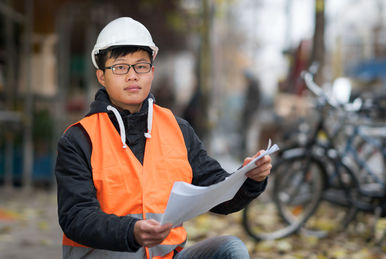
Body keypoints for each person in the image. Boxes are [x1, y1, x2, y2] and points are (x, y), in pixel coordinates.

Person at [55, 17, 272, 259]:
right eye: (120, 67)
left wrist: (249, 179)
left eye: (140, 66)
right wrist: (131, 232)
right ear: (101, 77)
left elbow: (216, 194)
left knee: (231, 250)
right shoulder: (79, 138)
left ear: (152, 72)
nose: (132, 75)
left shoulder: (177, 129)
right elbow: (76, 216)